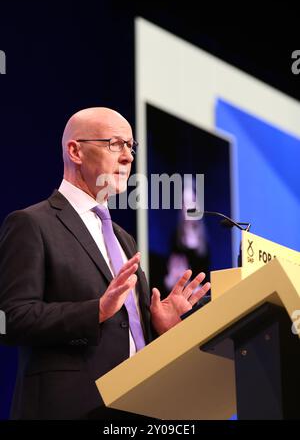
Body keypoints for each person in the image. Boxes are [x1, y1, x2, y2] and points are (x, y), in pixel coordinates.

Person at [0, 107, 210, 420]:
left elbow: (124, 335)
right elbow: (11, 319)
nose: (128, 157)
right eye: (116, 144)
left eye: (131, 147)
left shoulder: (124, 239)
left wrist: (157, 328)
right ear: (75, 151)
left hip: (136, 408)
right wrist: (95, 310)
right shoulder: (32, 224)